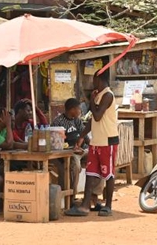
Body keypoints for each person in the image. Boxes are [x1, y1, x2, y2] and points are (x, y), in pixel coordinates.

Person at [65, 74, 118, 217]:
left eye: (94, 80)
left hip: (108, 140)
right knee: (91, 172)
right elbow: (93, 121)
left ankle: (108, 205)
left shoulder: (107, 95)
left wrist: (92, 101)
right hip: (96, 141)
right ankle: (85, 205)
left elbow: (97, 116)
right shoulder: (99, 95)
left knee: (108, 174)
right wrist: (82, 136)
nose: (92, 83)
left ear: (98, 80)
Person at [52, 98, 104, 206]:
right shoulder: (58, 122)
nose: (80, 111)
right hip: (69, 152)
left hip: (82, 150)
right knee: (75, 166)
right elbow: (57, 144)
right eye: (79, 109)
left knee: (100, 160)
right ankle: (72, 197)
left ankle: (94, 195)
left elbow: (85, 136)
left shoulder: (77, 120)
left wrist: (92, 148)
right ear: (72, 109)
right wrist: (72, 150)